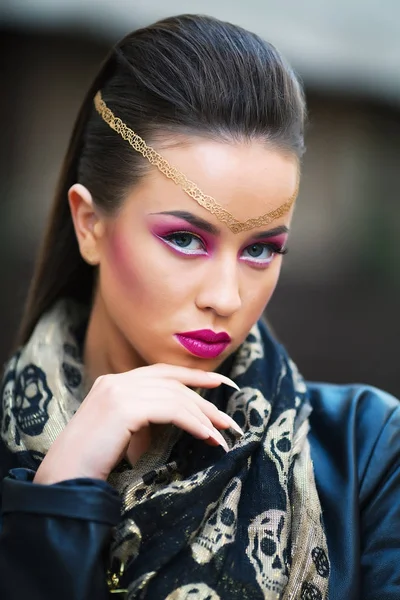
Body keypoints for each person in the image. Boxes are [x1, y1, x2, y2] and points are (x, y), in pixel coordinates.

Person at [0, 13, 399, 600]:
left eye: (262, 249)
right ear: (90, 224)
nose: (226, 297)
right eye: (185, 239)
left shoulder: (368, 456)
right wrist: (59, 499)